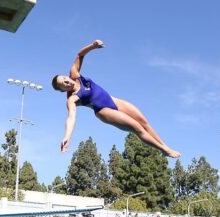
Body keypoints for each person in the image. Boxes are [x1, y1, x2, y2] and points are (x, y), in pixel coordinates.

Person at [51, 40, 181, 158]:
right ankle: (163, 150)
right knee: (137, 127)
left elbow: (79, 55)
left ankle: (165, 147)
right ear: (64, 90)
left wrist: (93, 46)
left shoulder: (74, 74)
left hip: (113, 100)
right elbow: (71, 118)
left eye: (65, 78)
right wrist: (67, 136)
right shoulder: (72, 99)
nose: (67, 81)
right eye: (64, 84)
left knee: (143, 121)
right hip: (103, 110)